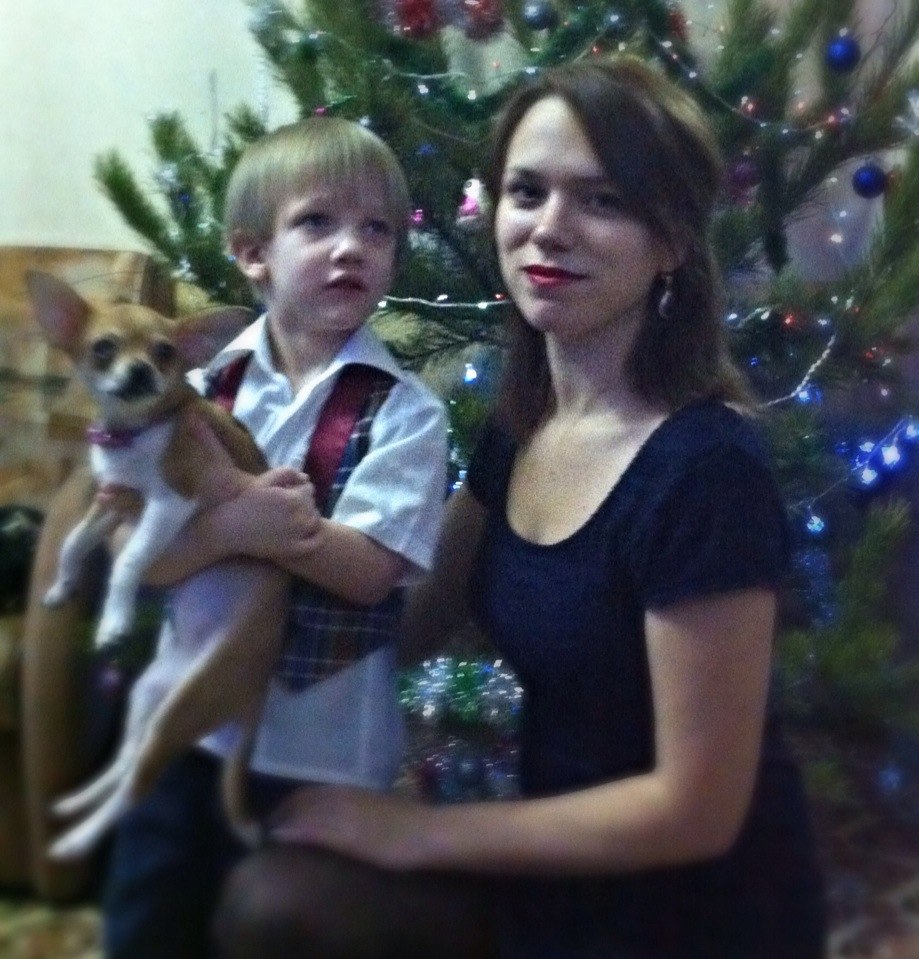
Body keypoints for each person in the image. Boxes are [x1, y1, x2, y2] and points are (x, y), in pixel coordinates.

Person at [216, 58, 827, 958]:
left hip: (688, 910)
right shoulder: (524, 424)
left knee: (279, 908)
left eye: (603, 200)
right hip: (549, 853)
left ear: (671, 240)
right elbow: (406, 618)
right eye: (527, 191)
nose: (549, 228)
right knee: (261, 880)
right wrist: (225, 606)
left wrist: (415, 832)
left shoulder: (705, 472)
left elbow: (696, 809)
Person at [98, 115, 453, 959]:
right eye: (318, 222)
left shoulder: (406, 413)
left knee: (279, 934)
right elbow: (138, 554)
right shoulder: (196, 388)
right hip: (189, 728)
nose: (351, 248)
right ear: (253, 253)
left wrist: (256, 529)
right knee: (148, 916)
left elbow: (368, 572)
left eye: (377, 230)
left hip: (321, 753)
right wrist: (238, 522)